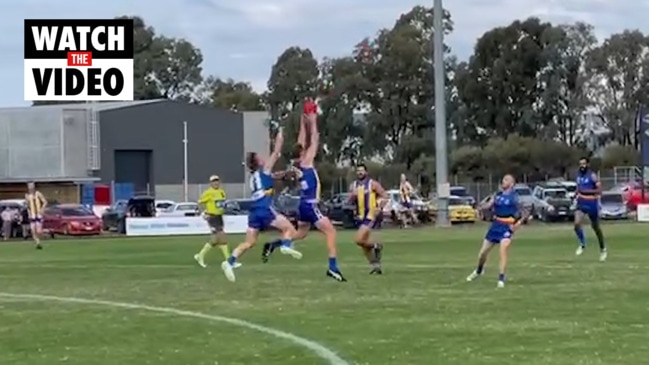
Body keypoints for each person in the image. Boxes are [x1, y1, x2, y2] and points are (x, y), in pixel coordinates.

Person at [261, 109, 346, 282]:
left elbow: (302, 139)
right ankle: (333, 267)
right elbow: (314, 139)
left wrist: (302, 121)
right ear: (302, 153)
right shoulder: (307, 162)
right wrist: (313, 120)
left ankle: (275, 244)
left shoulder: (295, 164)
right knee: (331, 232)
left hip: (302, 204)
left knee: (301, 233)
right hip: (310, 204)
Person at [220, 128, 301, 282]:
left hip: (254, 211)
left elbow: (271, 177)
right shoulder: (264, 169)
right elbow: (277, 151)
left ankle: (229, 262)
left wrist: (283, 174)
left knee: (249, 242)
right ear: (258, 162)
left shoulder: (253, 176)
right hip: (264, 207)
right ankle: (285, 245)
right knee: (289, 228)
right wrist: (281, 133)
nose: (264, 158)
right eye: (260, 157)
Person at [466, 174, 527, 288]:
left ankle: (501, 278)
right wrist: (478, 207)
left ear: (511, 183)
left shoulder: (514, 197)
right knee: (482, 253)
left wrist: (517, 224)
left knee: (503, 252)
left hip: (507, 227)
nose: (503, 182)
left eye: (506, 180)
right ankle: (479, 271)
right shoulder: (497, 195)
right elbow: (488, 205)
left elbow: (525, 212)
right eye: (503, 179)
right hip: (495, 226)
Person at [194, 175, 240, 269]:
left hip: (219, 217)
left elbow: (222, 204)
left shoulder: (222, 192)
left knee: (217, 240)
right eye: (214, 181)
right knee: (221, 237)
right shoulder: (208, 193)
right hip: (212, 217)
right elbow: (200, 203)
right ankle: (229, 261)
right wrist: (203, 213)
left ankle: (200, 256)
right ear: (211, 183)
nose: (216, 183)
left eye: (217, 181)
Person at [349, 164, 388, 274]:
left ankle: (377, 245)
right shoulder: (354, 185)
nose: (360, 173)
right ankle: (375, 266)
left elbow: (384, 195)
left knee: (359, 239)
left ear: (366, 172)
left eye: (362, 170)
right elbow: (350, 200)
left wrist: (379, 207)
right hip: (360, 216)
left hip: (370, 215)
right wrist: (352, 195)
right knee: (363, 244)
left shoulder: (372, 184)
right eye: (358, 171)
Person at [574, 157, 607, 261]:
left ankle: (603, 249)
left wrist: (586, 191)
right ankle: (583, 244)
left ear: (587, 164)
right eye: (580, 164)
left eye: (584, 164)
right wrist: (576, 193)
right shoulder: (578, 175)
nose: (582, 166)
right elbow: (578, 188)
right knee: (576, 224)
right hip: (581, 203)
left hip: (591, 203)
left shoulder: (592, 176)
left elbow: (599, 190)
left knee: (596, 227)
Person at [25, 182, 47, 249]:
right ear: (28, 187)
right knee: (33, 230)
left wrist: (42, 209)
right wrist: (29, 213)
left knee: (39, 231)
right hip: (32, 215)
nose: (31, 187)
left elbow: (45, 202)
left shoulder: (38, 193)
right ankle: (38, 243)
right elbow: (28, 206)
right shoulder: (27, 195)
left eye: (32, 186)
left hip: (38, 214)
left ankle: (46, 232)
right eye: (30, 186)